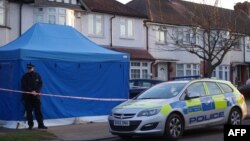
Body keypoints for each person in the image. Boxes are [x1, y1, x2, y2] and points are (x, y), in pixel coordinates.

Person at [21, 63, 47, 130]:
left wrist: (36, 91)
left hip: (36, 97)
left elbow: (40, 84)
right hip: (28, 97)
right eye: (28, 68)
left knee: (38, 111)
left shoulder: (37, 75)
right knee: (29, 112)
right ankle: (30, 125)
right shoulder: (25, 76)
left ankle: (41, 125)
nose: (29, 69)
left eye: (30, 68)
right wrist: (31, 91)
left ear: (33, 68)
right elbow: (24, 85)